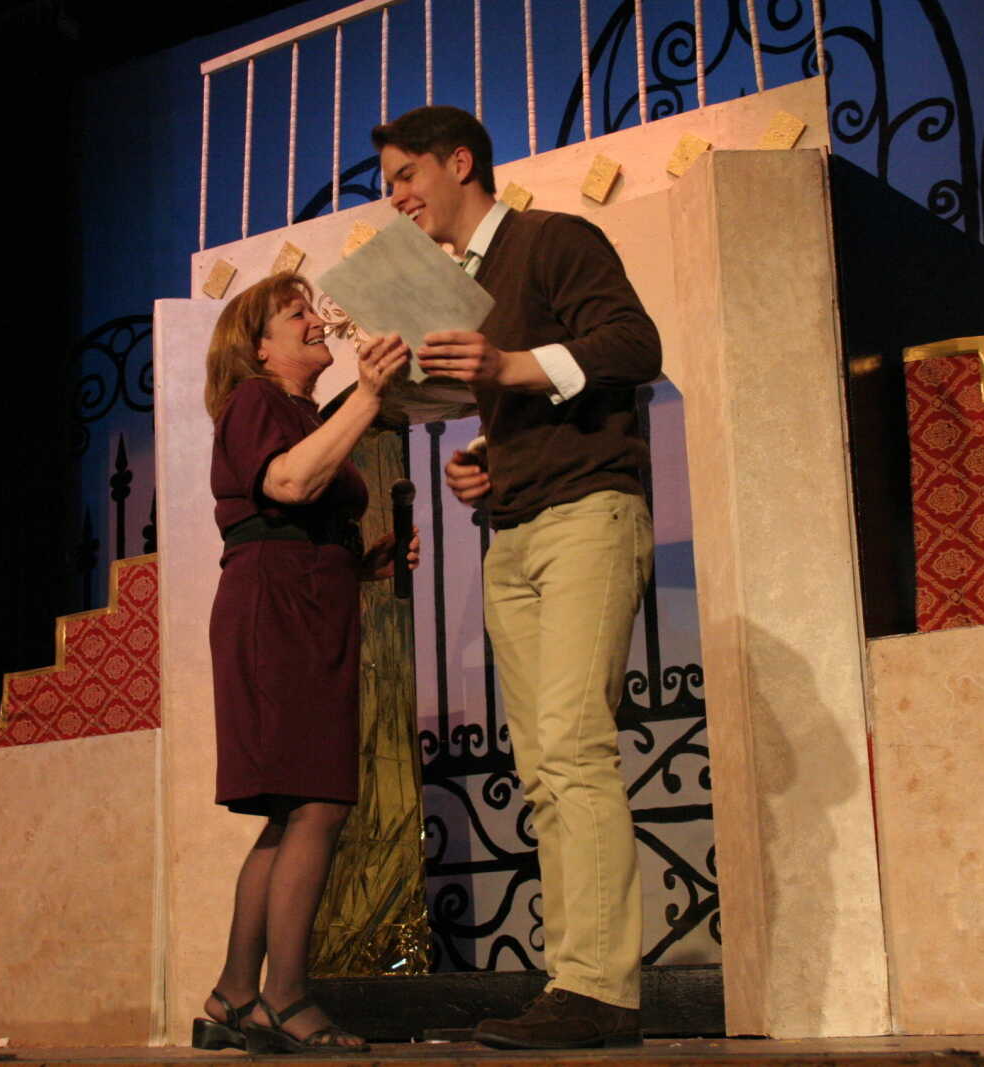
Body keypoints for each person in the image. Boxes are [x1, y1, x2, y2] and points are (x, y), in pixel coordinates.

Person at [372, 106, 662, 1049]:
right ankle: (575, 982)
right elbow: (522, 397)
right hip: (517, 528)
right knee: (541, 770)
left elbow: (634, 347)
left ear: (461, 162)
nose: (397, 196)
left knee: (573, 749)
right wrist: (489, 454)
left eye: (407, 174)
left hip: (588, 516)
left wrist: (509, 364)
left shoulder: (551, 240)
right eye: (388, 184)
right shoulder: (458, 282)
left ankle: (600, 988)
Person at [193, 272, 417, 1055]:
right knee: (316, 803)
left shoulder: (298, 413)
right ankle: (285, 997)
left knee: (293, 809)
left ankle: (234, 995)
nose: (318, 321)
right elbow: (286, 482)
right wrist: (370, 394)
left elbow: (301, 507)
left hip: (307, 607)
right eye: (298, 314)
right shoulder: (255, 401)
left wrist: (361, 563)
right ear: (258, 346)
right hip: (276, 614)